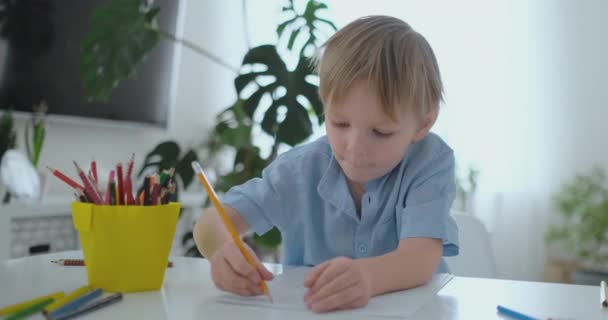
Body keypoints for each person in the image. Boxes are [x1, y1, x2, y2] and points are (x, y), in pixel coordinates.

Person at [193, 15, 459, 314]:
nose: (355, 147)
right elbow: (210, 224)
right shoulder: (298, 170)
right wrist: (222, 251)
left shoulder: (429, 162)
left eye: (381, 132)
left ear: (423, 123)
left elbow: (420, 257)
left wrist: (368, 277)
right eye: (340, 122)